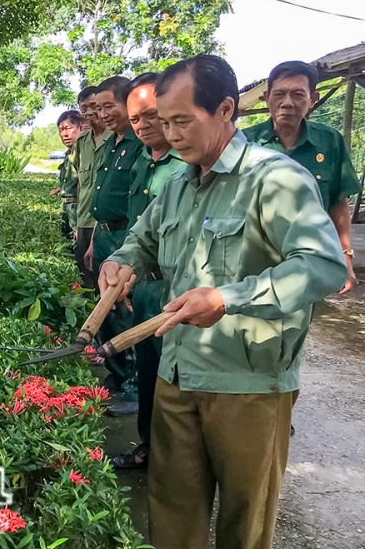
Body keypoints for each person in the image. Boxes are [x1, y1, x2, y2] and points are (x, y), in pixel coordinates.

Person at [99, 55, 345, 549]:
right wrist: (120, 263)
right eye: (163, 123)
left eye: (181, 121)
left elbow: (324, 266)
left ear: (226, 109)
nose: (170, 134)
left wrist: (228, 299)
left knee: (244, 519)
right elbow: (141, 241)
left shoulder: (274, 179)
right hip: (176, 376)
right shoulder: (177, 185)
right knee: (171, 511)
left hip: (248, 384)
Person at [108, 73, 187, 454]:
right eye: (136, 118)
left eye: (154, 116)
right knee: (151, 369)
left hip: (179, 290)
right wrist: (122, 263)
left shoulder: (186, 166)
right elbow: (142, 230)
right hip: (146, 283)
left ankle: (171, 453)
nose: (144, 125)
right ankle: (148, 445)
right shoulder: (145, 161)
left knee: (175, 379)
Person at [246, 60, 360, 294]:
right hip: (252, 262)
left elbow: (339, 201)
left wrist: (345, 254)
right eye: (279, 94)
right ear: (267, 98)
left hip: (310, 261)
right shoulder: (245, 142)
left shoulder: (329, 142)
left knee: (301, 324)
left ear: (313, 98)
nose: (287, 103)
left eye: (298, 94)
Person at [87, 75, 144, 404]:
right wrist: (96, 241)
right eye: (99, 107)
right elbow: (99, 198)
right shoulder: (111, 143)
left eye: (110, 105)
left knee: (125, 309)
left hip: (127, 237)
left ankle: (133, 387)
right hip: (106, 235)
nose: (104, 113)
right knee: (105, 311)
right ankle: (117, 373)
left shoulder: (139, 145)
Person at [71, 86, 112, 287]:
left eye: (94, 107)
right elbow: (80, 183)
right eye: (84, 108)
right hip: (84, 221)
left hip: (104, 226)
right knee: (85, 280)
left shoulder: (115, 139)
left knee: (104, 280)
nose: (89, 112)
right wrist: (78, 226)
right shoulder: (81, 142)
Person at [50, 110, 84, 239]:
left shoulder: (84, 152)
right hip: (67, 210)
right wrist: (61, 188)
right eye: (61, 130)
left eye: (68, 128)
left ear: (80, 127)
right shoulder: (68, 153)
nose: (64, 134)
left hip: (77, 212)